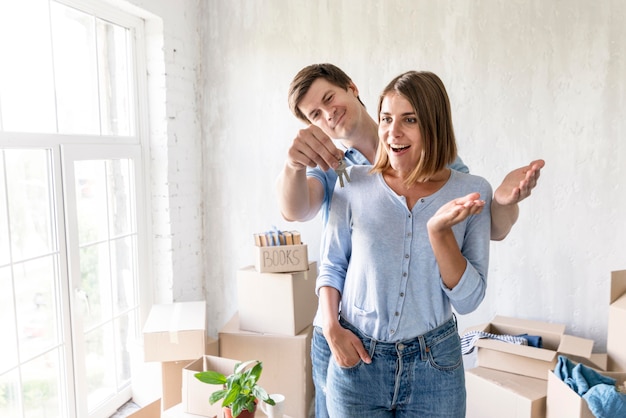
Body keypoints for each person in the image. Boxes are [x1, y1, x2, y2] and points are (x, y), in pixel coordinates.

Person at [276, 63, 544, 417]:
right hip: (343, 333)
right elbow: (300, 215)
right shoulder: (340, 172)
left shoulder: (449, 169)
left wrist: (503, 203)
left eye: (329, 98)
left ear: (352, 88)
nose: (328, 114)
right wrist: (293, 165)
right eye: (315, 114)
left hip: (431, 353)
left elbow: (479, 222)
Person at [318, 70, 489, 416]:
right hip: (357, 363)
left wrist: (440, 234)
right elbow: (332, 265)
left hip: (436, 369)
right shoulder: (351, 183)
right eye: (386, 119)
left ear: (434, 124)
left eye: (409, 120)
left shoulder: (471, 191)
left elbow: (470, 299)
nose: (393, 133)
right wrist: (330, 327)